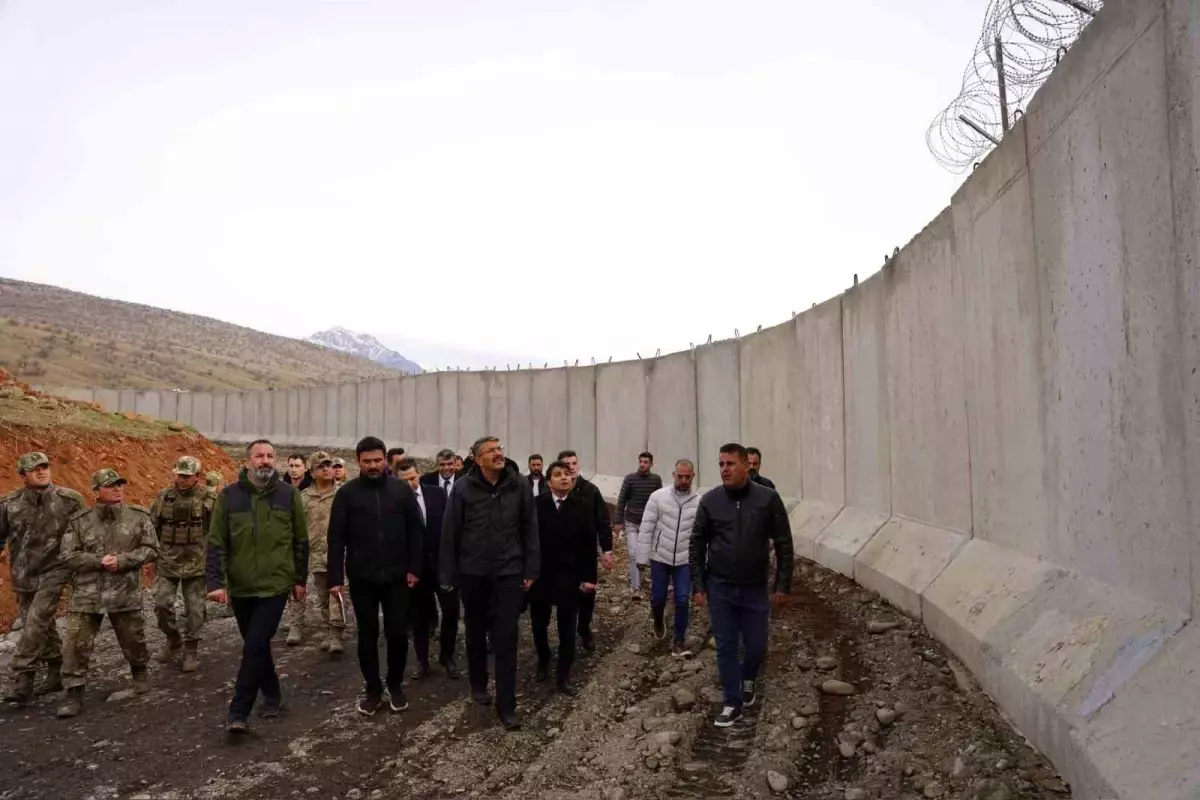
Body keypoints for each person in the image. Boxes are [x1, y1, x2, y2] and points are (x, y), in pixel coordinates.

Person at [206, 439, 309, 734]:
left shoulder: (289, 495)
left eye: (270, 456)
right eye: (259, 456)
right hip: (241, 587)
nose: (265, 461)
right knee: (258, 645)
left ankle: (238, 711)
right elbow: (216, 542)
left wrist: (299, 580)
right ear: (247, 460)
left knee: (253, 645)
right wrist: (215, 581)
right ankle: (273, 696)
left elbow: (299, 541)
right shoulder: (229, 496)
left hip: (275, 585)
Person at [690, 443, 793, 728]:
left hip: (754, 588)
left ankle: (749, 677)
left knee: (756, 645)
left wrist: (782, 584)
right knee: (725, 646)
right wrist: (698, 585)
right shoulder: (710, 501)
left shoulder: (767, 499)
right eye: (721, 464)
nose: (724, 469)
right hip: (720, 586)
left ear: (747, 465)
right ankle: (731, 703)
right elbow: (697, 544)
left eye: (730, 464)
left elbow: (783, 542)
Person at [441, 435, 539, 731]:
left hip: (509, 571)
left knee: (507, 636)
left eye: (500, 449)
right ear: (476, 458)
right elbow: (450, 533)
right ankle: (479, 682)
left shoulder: (518, 484)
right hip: (474, 572)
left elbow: (530, 528)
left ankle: (507, 705)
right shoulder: (462, 488)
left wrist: (531, 569)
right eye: (491, 451)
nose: (498, 454)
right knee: (475, 630)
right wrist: (448, 575)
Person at [327, 437, 424, 716]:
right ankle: (372, 689)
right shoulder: (347, 494)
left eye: (377, 460)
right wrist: (335, 578)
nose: (372, 465)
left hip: (397, 577)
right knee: (367, 634)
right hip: (362, 578)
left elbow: (416, 533)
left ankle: (395, 685)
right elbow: (336, 538)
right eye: (367, 461)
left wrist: (414, 569)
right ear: (359, 462)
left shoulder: (401, 491)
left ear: (385, 460)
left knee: (396, 633)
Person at [56, 468, 159, 718]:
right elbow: (68, 556)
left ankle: (139, 672)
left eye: (119, 485)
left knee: (133, 639)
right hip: (87, 595)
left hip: (124, 592)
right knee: (75, 645)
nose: (117, 489)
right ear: (96, 492)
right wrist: (99, 561)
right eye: (110, 485)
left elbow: (152, 549)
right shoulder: (79, 521)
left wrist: (123, 560)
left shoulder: (138, 517)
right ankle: (73, 693)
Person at [1, 452, 85, 705]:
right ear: (23, 475)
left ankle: (23, 680)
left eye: (44, 467)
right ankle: (56, 667)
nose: (41, 472)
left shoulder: (69, 500)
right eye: (34, 469)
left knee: (34, 622)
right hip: (23, 574)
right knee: (39, 623)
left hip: (55, 570)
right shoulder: (9, 503)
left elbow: (84, 534)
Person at [529, 460, 597, 696]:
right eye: (558, 475)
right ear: (549, 482)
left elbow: (589, 545)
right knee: (539, 625)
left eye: (567, 474)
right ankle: (543, 659)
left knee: (567, 629)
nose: (564, 478)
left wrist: (590, 578)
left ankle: (563, 675)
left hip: (571, 577)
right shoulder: (536, 505)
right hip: (541, 577)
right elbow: (528, 541)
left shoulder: (582, 506)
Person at [395, 457, 460, 681]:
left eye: (412, 478)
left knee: (451, 613)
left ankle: (447, 656)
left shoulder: (437, 494)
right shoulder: (396, 503)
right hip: (416, 571)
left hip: (442, 567)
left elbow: (450, 529)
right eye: (404, 481)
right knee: (419, 618)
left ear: (419, 474)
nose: (410, 484)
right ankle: (422, 661)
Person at [149, 456, 214, 673]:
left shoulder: (209, 498)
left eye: (187, 476)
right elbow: (152, 529)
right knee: (160, 604)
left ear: (197, 476)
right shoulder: (163, 497)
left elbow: (219, 531)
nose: (183, 480)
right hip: (168, 560)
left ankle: (190, 651)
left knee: (195, 610)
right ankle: (173, 639)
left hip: (197, 562)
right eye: (179, 475)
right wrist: (152, 557)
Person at [636, 459, 700, 656]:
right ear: (673, 475)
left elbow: (702, 535)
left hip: (684, 560)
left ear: (692, 477)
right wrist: (641, 556)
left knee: (682, 599)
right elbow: (647, 527)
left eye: (686, 477)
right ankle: (658, 618)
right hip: (660, 557)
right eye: (679, 476)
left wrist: (702, 563)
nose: (683, 480)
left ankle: (679, 640)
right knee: (658, 598)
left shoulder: (699, 501)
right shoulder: (658, 497)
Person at [286, 452, 345, 652]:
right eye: (321, 466)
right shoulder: (303, 498)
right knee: (322, 598)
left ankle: (336, 635)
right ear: (312, 472)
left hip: (339, 554)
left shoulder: (343, 494)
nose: (327, 468)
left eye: (329, 464)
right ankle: (328, 629)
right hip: (315, 555)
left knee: (337, 595)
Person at [557, 450, 612, 655]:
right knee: (565, 594)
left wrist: (607, 550)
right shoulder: (555, 491)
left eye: (574, 463)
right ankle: (566, 636)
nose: (571, 467)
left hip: (586, 554)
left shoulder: (590, 491)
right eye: (566, 464)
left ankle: (584, 628)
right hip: (561, 555)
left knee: (587, 594)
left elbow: (603, 523)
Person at [615, 451, 663, 599]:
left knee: (653, 554)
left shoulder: (656, 480)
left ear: (651, 464)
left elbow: (660, 501)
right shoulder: (630, 479)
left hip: (649, 524)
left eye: (646, 462)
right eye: (641, 461)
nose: (642, 464)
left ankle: (657, 583)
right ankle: (635, 586)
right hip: (631, 522)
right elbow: (622, 499)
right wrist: (618, 521)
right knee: (633, 553)